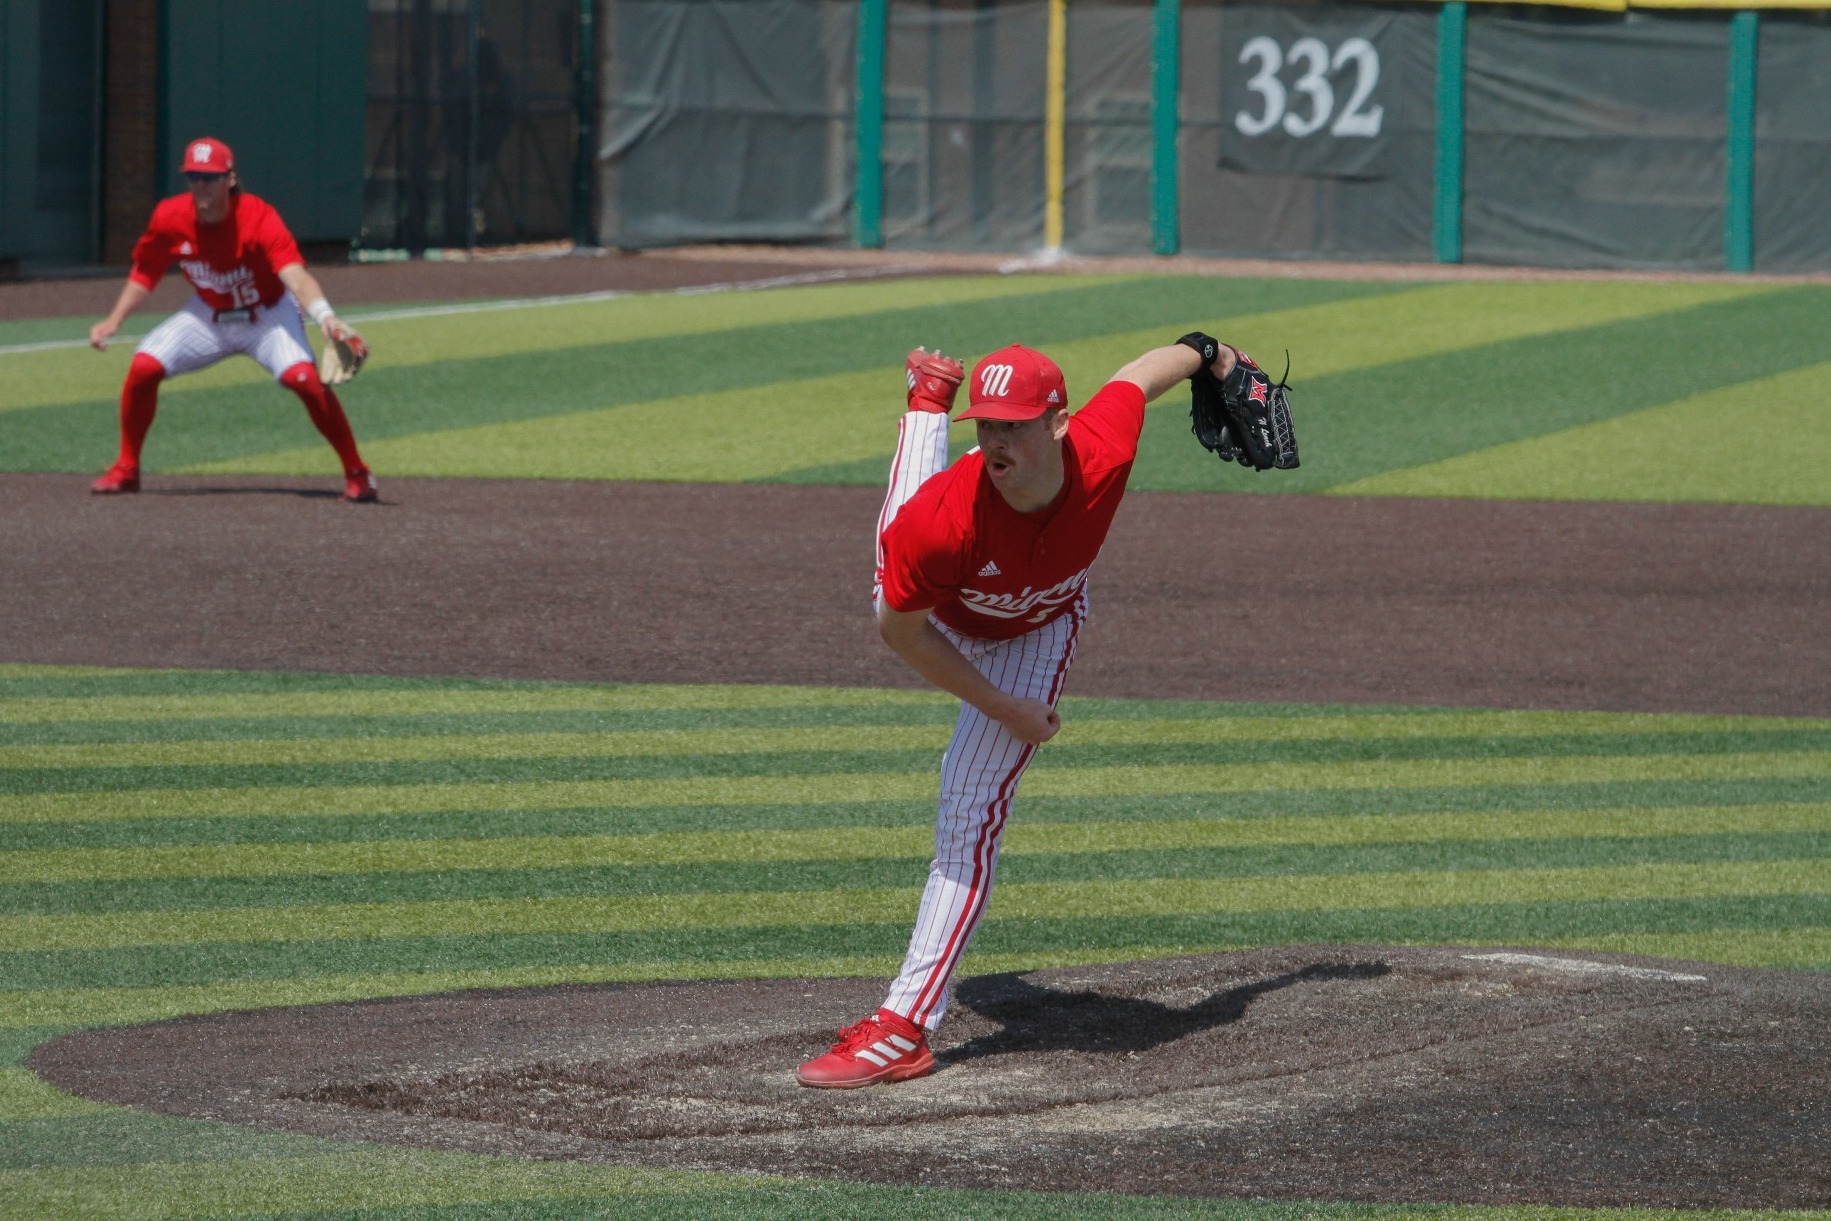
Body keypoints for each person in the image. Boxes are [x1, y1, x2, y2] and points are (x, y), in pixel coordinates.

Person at [795, 334, 1245, 1088]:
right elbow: (900, 634)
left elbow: (1142, 374)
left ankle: (902, 1027)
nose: (997, 439)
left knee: (968, 811)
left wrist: (1214, 353)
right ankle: (925, 406)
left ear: (1058, 423)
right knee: (892, 569)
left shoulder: (1102, 446)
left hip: (1039, 627)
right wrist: (1004, 707)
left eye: (1013, 424)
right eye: (986, 425)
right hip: (940, 622)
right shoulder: (942, 521)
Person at [87, 136, 377, 501]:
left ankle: (358, 473)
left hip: (268, 314)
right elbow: (146, 269)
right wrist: (114, 319)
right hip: (208, 314)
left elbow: (294, 275)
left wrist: (326, 317)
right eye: (193, 176)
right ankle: (127, 469)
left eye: (210, 177)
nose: (201, 185)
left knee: (303, 379)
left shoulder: (258, 217)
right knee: (144, 366)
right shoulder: (170, 216)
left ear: (230, 179)